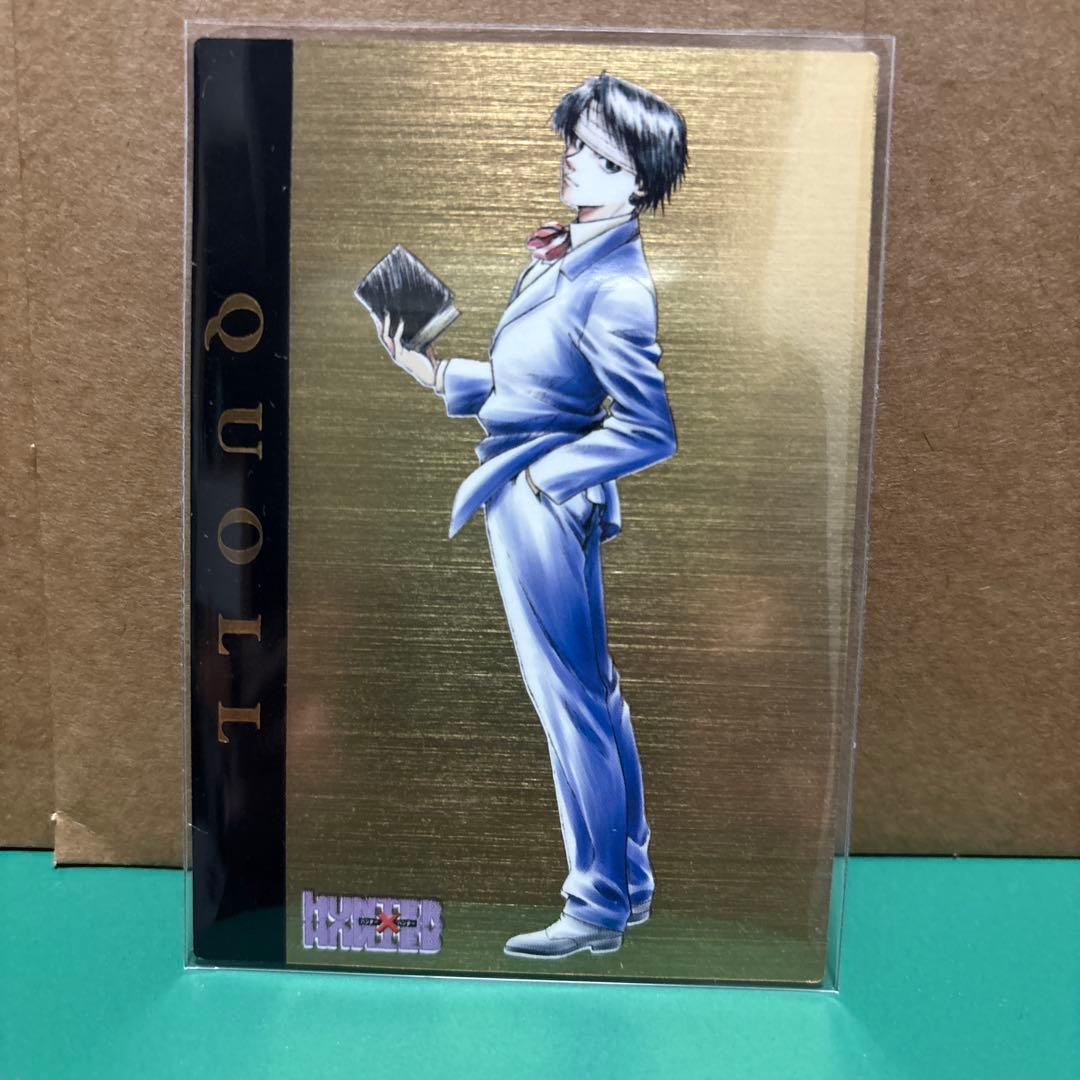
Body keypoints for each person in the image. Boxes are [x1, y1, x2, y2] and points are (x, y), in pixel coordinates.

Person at [373, 71, 689, 958]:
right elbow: (533, 387)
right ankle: (626, 885)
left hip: (540, 498)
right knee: (595, 696)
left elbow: (649, 427)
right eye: (574, 142)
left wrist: (552, 479)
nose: (574, 159)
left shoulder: (615, 285)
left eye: (601, 155)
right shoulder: (568, 255)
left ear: (639, 182)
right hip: (532, 489)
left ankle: (595, 904)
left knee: (571, 703)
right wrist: (436, 373)